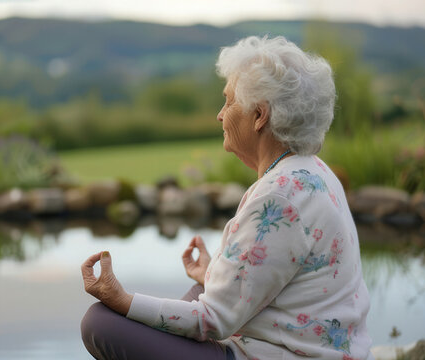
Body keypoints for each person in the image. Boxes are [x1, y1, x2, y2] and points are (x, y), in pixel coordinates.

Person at [80, 35, 373, 360]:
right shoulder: (314, 171)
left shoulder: (279, 197)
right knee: (198, 292)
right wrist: (213, 274)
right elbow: (278, 279)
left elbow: (212, 321)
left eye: (229, 102)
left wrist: (121, 298)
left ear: (259, 116)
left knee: (100, 322)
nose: (220, 115)